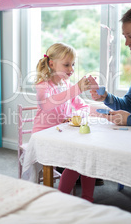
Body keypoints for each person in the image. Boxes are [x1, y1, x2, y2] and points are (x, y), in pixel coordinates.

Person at [32, 42, 96, 202]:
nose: (71, 69)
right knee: (78, 159)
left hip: (63, 134)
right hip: (44, 138)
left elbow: (83, 106)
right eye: (67, 64)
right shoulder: (43, 86)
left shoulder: (66, 85)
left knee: (87, 155)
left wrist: (76, 114)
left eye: (73, 64)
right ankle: (63, 198)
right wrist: (76, 89)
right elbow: (46, 105)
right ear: (52, 64)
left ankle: (87, 199)